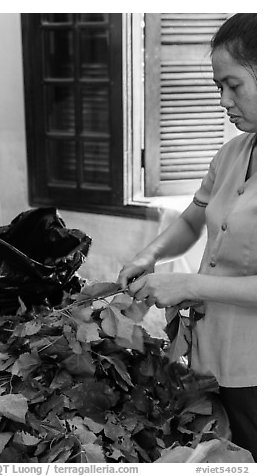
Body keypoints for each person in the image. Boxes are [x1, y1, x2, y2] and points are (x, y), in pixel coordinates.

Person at [117, 13, 257, 461]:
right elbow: (195, 219)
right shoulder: (234, 151)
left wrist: (188, 285)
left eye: (233, 85)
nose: (224, 101)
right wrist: (150, 253)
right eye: (219, 87)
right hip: (208, 352)